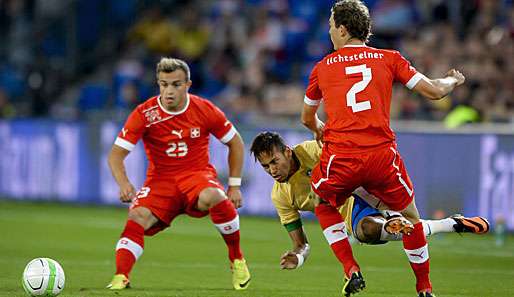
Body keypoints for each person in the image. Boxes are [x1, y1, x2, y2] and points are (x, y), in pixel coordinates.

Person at [300, 1, 467, 296]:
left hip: (342, 156)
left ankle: (351, 269)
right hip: (381, 157)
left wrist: (318, 129)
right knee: (413, 221)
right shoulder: (389, 58)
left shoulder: (322, 67)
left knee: (323, 203)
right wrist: (453, 79)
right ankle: (424, 287)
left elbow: (306, 117)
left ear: (341, 29)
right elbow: (434, 91)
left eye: (330, 25)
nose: (328, 31)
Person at [250, 132, 489, 296]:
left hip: (362, 191)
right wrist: (298, 257)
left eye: (274, 161)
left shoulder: (312, 151)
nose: (272, 170)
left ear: (288, 152)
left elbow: (351, 164)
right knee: (370, 232)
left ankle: (397, 219)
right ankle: (449, 224)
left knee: (326, 199)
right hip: (349, 216)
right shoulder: (280, 196)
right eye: (265, 166)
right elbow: (301, 244)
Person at [106, 58, 250, 290]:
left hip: (196, 176)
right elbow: (115, 155)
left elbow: (236, 143)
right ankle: (121, 276)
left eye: (175, 84)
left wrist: (234, 186)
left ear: (188, 85)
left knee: (215, 196)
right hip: (160, 182)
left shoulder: (204, 109)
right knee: (137, 217)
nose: (168, 91)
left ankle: (236, 258)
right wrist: (123, 183)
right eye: (163, 84)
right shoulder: (145, 113)